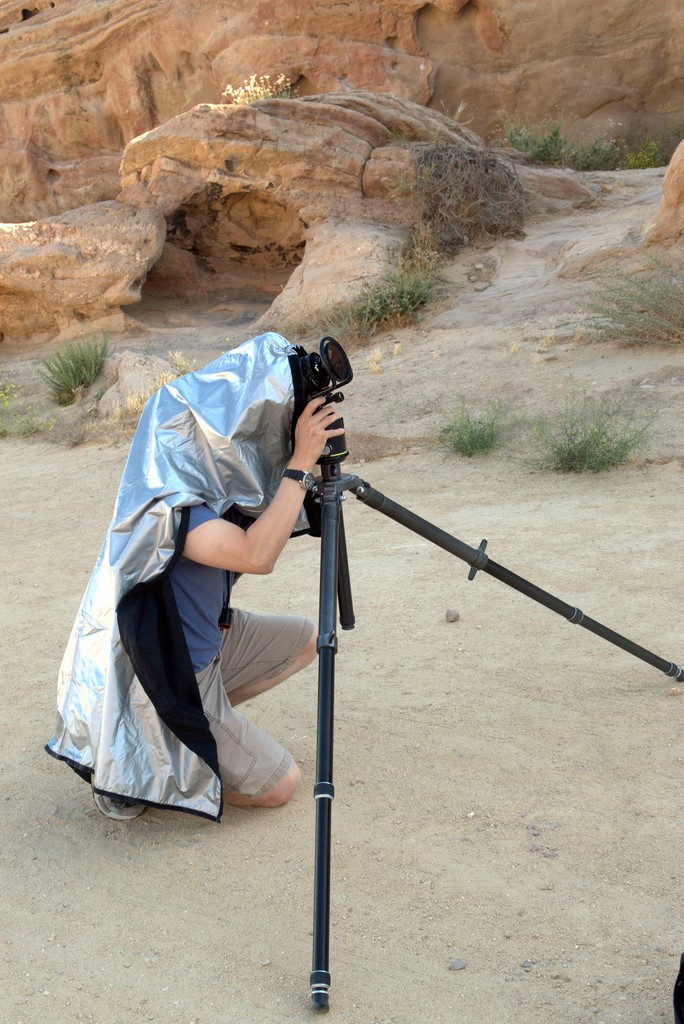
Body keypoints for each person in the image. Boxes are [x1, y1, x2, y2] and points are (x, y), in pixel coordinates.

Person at [92, 394, 344, 820]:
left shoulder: (214, 486)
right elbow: (255, 555)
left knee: (310, 638)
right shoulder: (172, 508)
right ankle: (162, 764)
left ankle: (189, 734)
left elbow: (275, 510)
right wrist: (300, 461)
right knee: (280, 784)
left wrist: (306, 455)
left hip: (210, 643)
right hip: (173, 673)